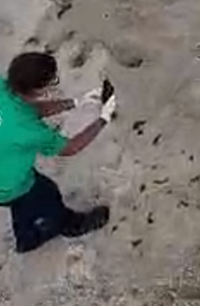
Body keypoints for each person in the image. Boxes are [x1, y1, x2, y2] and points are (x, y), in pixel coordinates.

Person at [1, 52, 117, 253]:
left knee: (20, 204)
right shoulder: (28, 130)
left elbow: (27, 109)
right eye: (51, 81)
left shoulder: (5, 88)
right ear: (37, 89)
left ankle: (25, 239)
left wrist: (75, 102)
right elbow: (70, 148)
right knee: (47, 194)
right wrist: (103, 118)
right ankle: (69, 225)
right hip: (11, 183)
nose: (53, 84)